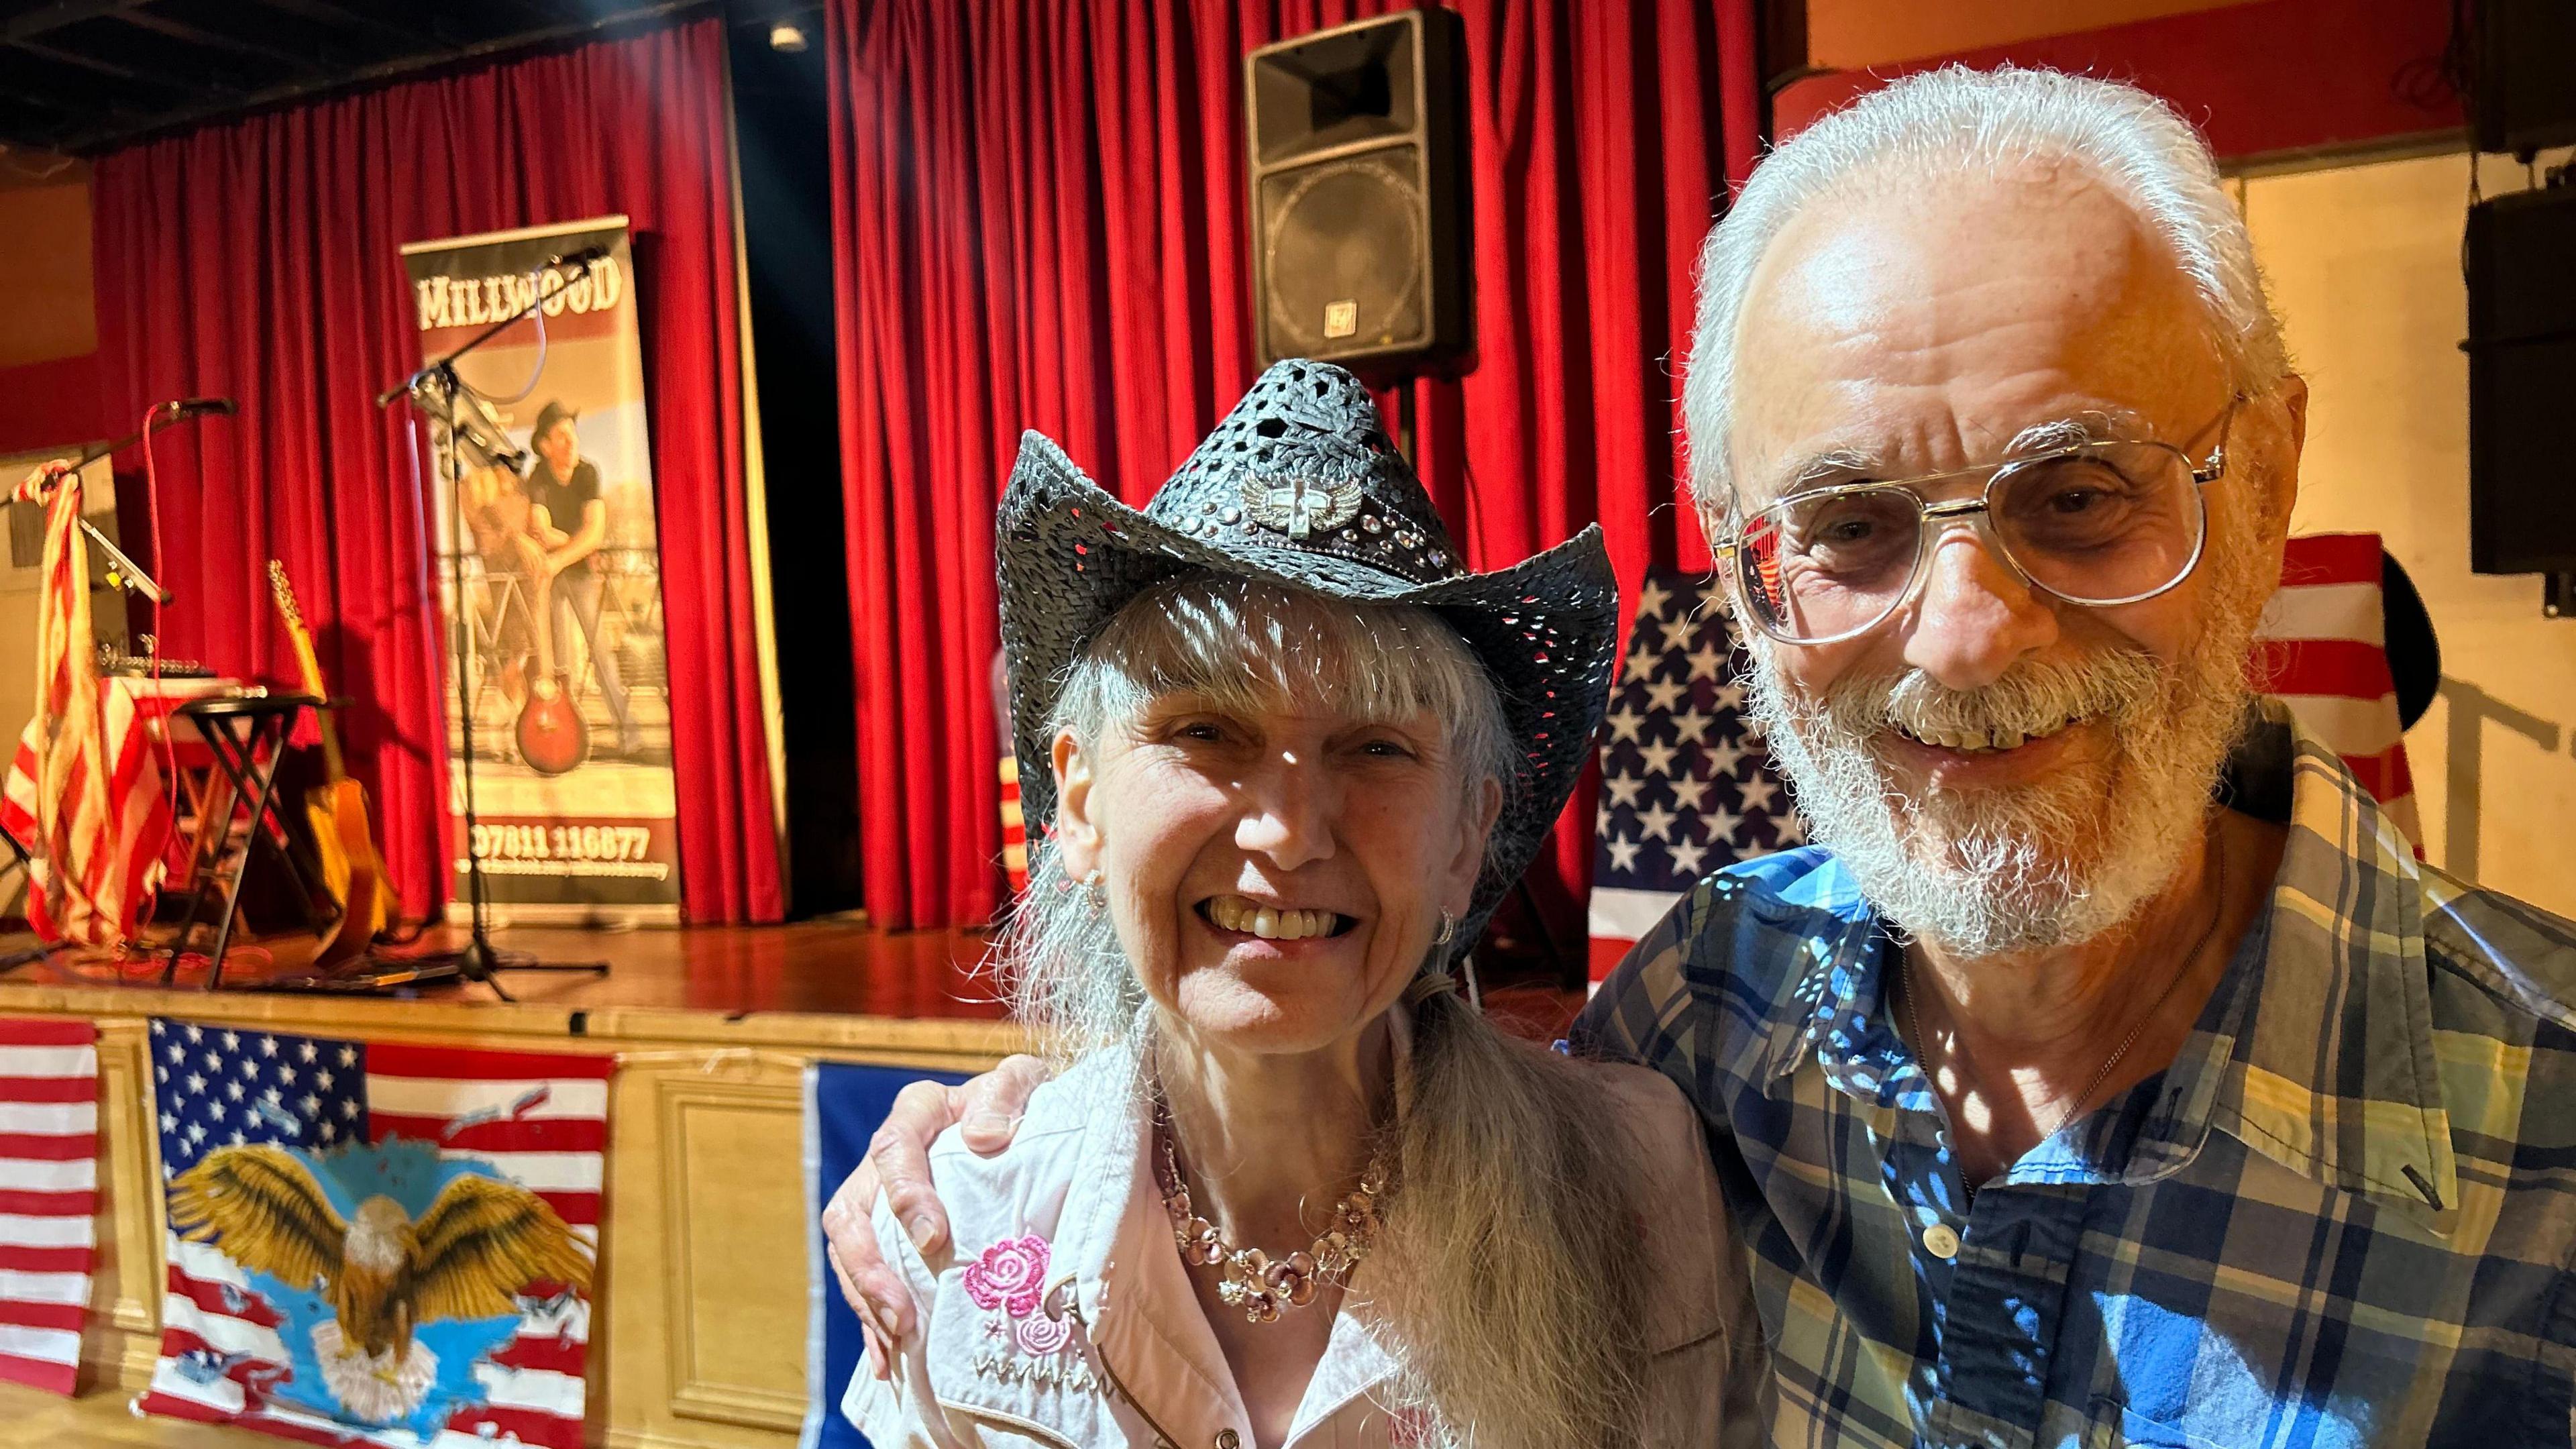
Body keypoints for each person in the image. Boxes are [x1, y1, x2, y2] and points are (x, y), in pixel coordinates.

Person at [833, 68, 2576, 1446]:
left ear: (2264, 484)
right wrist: (1013, 1129)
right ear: (1747, 568)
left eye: (2078, 495)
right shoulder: (1716, 1013)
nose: (1961, 632)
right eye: (1854, 525)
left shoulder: (2542, 1134)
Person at [842, 360, 1764, 1449]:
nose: (1287, 831)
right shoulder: (952, 1220)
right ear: (1079, 804)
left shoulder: (1633, 1188)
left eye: (1376, 745)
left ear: (1467, 835)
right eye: (1207, 732)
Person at [523, 399, 640, 757]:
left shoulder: (589, 473)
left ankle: (628, 733)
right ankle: (567, 737)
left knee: (600, 653)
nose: (570, 442)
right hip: (554, 578)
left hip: (576, 575)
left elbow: (596, 533)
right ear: (545, 446)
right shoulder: (538, 476)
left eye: (571, 433)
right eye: (560, 436)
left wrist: (565, 552)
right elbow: (543, 530)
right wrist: (578, 543)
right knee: (560, 662)